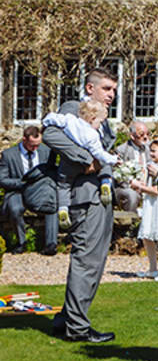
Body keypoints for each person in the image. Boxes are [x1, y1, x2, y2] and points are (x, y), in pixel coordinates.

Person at [44, 67, 120, 343]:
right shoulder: (74, 108)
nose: (112, 95)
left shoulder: (103, 116)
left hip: (99, 195)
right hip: (83, 197)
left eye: (113, 89)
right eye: (107, 89)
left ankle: (66, 318)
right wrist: (85, 158)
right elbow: (49, 134)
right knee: (87, 261)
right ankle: (77, 328)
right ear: (90, 88)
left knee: (95, 261)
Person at [1, 126, 57, 256]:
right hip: (17, 191)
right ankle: (22, 243)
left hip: (39, 190)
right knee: (15, 209)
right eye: (32, 145)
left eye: (38, 145)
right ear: (24, 139)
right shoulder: (8, 155)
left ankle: (51, 244)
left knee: (52, 206)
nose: (35, 148)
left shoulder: (46, 151)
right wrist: (21, 183)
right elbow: (2, 180)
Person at [130, 140, 158, 279]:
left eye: (154, 151)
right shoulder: (152, 167)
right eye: (150, 151)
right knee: (147, 236)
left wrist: (140, 187)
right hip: (151, 204)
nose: (151, 154)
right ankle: (152, 269)